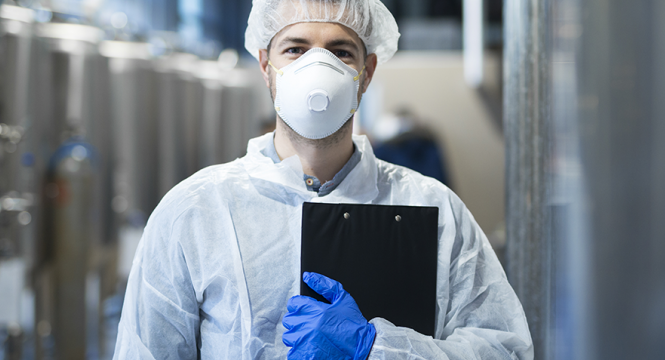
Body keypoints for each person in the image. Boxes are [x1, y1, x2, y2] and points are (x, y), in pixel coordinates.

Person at [114, 0, 533, 359]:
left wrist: (375, 347)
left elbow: (505, 349)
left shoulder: (434, 208)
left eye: (341, 52)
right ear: (266, 66)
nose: (318, 67)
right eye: (295, 49)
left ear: (366, 72)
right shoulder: (194, 212)